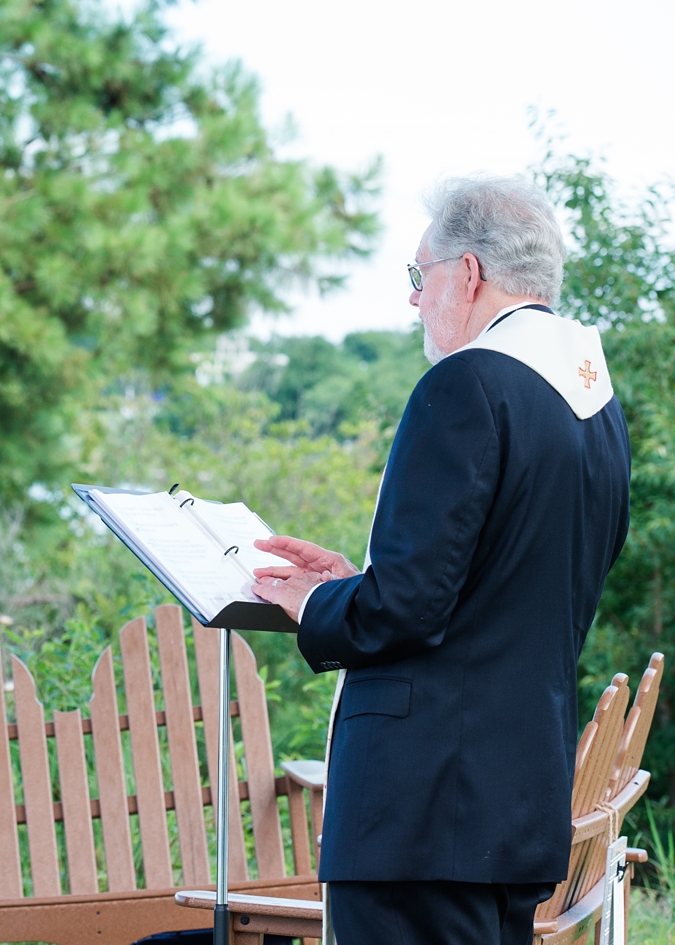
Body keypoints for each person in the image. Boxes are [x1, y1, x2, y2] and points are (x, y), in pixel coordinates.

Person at [251, 177, 631, 945]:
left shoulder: (465, 384)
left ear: (468, 273)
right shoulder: (595, 410)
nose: (416, 301)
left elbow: (409, 608)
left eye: (419, 277)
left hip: (422, 806)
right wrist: (355, 581)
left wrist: (311, 603)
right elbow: (497, 594)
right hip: (514, 795)